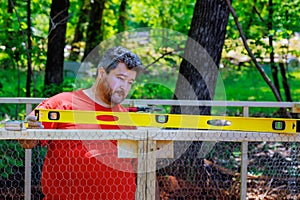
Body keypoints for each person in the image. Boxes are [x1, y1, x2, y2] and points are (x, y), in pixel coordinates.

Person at [20, 46, 144, 199]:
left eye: (130, 82)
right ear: (101, 73)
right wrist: (29, 129)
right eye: (120, 78)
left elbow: (140, 168)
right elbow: (27, 141)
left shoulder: (126, 119)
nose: (124, 87)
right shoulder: (63, 103)